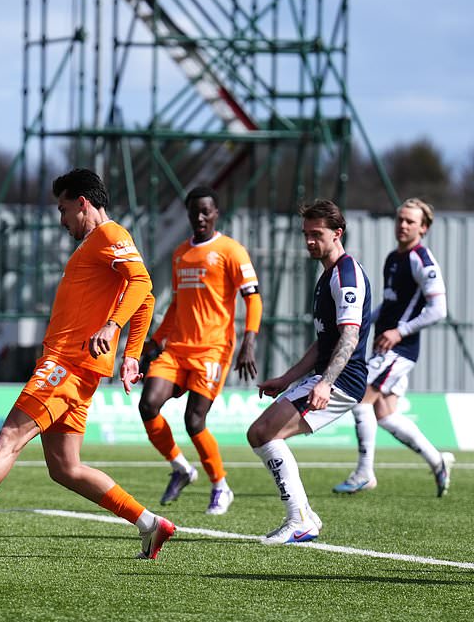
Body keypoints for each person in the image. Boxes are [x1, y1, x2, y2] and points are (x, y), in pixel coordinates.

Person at [0, 168, 176, 560]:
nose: (62, 220)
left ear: (83, 203)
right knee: (65, 468)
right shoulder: (100, 243)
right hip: (80, 372)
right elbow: (147, 298)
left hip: (65, 364)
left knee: (9, 439)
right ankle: (150, 524)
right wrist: (131, 355)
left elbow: (142, 285)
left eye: (63, 209)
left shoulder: (110, 235)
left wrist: (113, 329)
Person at [247, 199, 371, 545]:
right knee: (261, 434)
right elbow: (323, 342)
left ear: (338, 234)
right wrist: (287, 379)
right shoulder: (327, 275)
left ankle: (299, 519)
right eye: (306, 234)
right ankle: (303, 516)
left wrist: (326, 384)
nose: (309, 242)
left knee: (263, 433)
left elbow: (350, 335)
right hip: (327, 377)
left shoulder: (346, 275)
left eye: (317, 234)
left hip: (341, 381)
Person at [138, 186, 261, 515]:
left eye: (206, 211)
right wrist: (154, 341)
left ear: (216, 213)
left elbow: (253, 298)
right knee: (148, 405)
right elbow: (177, 304)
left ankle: (220, 485)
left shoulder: (231, 251)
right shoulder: (181, 253)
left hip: (213, 350)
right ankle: (180, 467)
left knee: (194, 421)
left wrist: (249, 340)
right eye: (194, 212)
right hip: (177, 349)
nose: (200, 217)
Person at [334, 198, 453, 496]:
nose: (402, 225)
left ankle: (364, 473)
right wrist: (364, 321)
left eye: (410, 221)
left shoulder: (422, 261)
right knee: (385, 414)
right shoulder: (393, 258)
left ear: (423, 228)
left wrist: (400, 332)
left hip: (399, 349)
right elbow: (391, 303)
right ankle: (437, 461)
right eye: (400, 219)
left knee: (360, 398)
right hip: (385, 346)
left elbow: (439, 309)